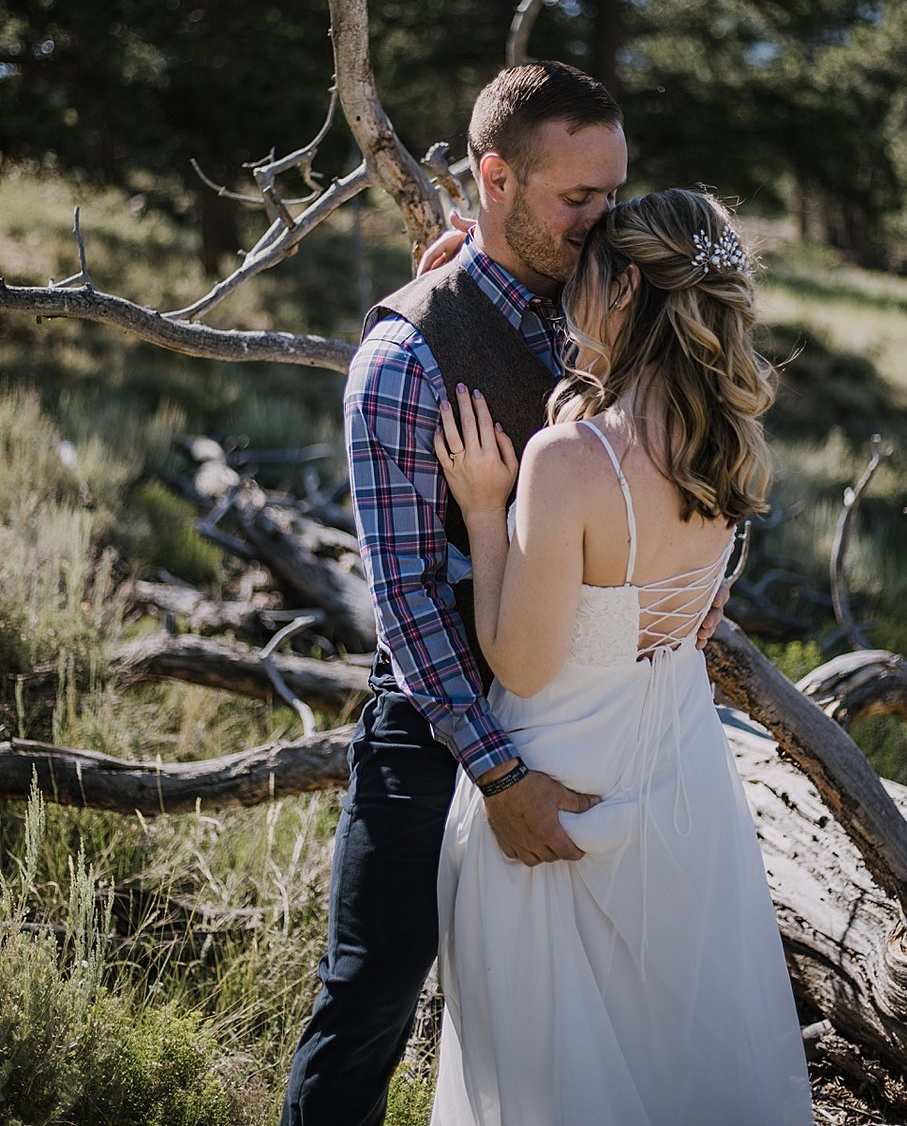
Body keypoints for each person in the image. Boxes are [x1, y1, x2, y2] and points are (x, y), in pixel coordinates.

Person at [280, 63, 728, 1126]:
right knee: (374, 986)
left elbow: (690, 457)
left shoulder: (616, 302)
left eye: (612, 194)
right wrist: (496, 770)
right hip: (445, 724)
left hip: (596, 716)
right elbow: (406, 600)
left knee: (599, 1001)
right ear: (494, 179)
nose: (603, 221)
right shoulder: (404, 357)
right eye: (578, 200)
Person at [429, 189, 814, 1126]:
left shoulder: (569, 460)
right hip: (681, 785)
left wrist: (486, 507)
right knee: (671, 1047)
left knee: (554, 1075)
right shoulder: (727, 444)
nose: (567, 298)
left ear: (624, 287)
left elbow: (520, 663)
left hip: (557, 787)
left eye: (585, 276)